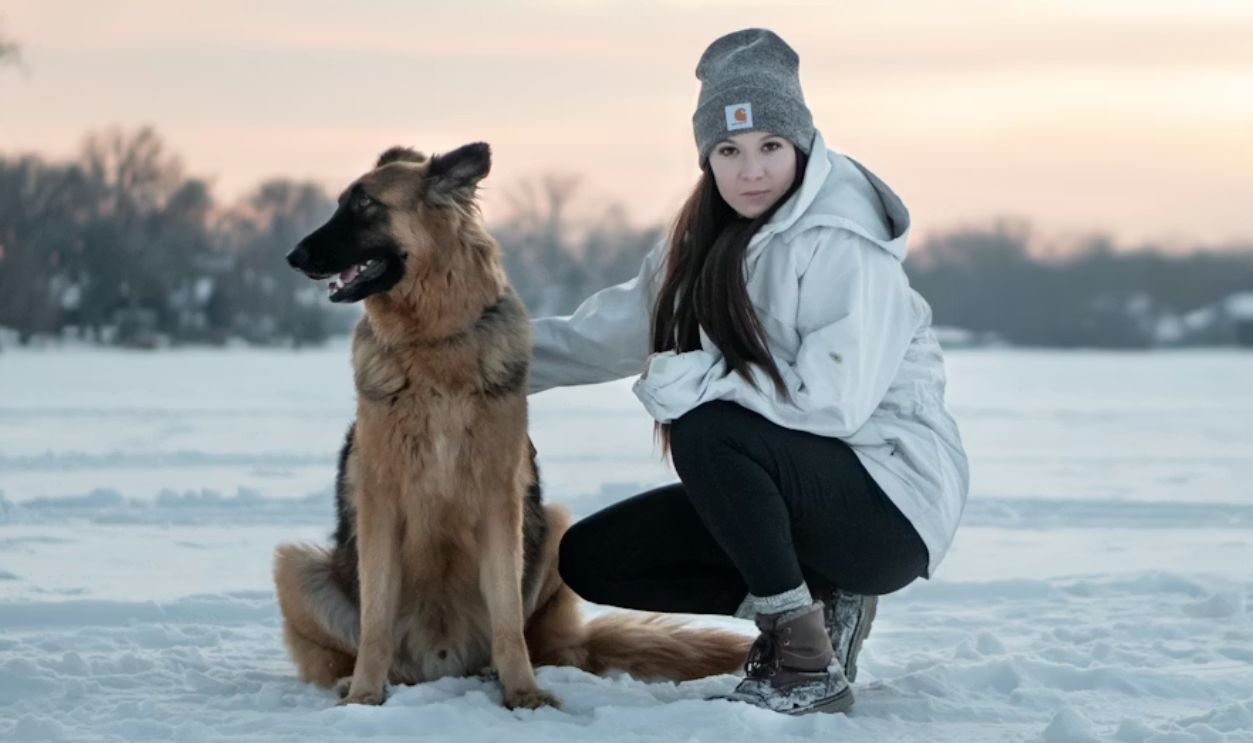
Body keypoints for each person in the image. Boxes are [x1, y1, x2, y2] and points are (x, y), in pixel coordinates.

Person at [528, 28, 969, 715]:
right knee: (592, 557)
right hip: (792, 492)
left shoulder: (843, 242)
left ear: (801, 145)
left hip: (886, 505)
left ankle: (801, 658)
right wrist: (473, 360)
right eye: (728, 151)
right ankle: (819, 603)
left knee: (709, 428)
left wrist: (696, 384)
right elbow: (603, 335)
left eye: (769, 146)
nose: (751, 171)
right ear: (707, 159)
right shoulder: (700, 245)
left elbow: (834, 403)